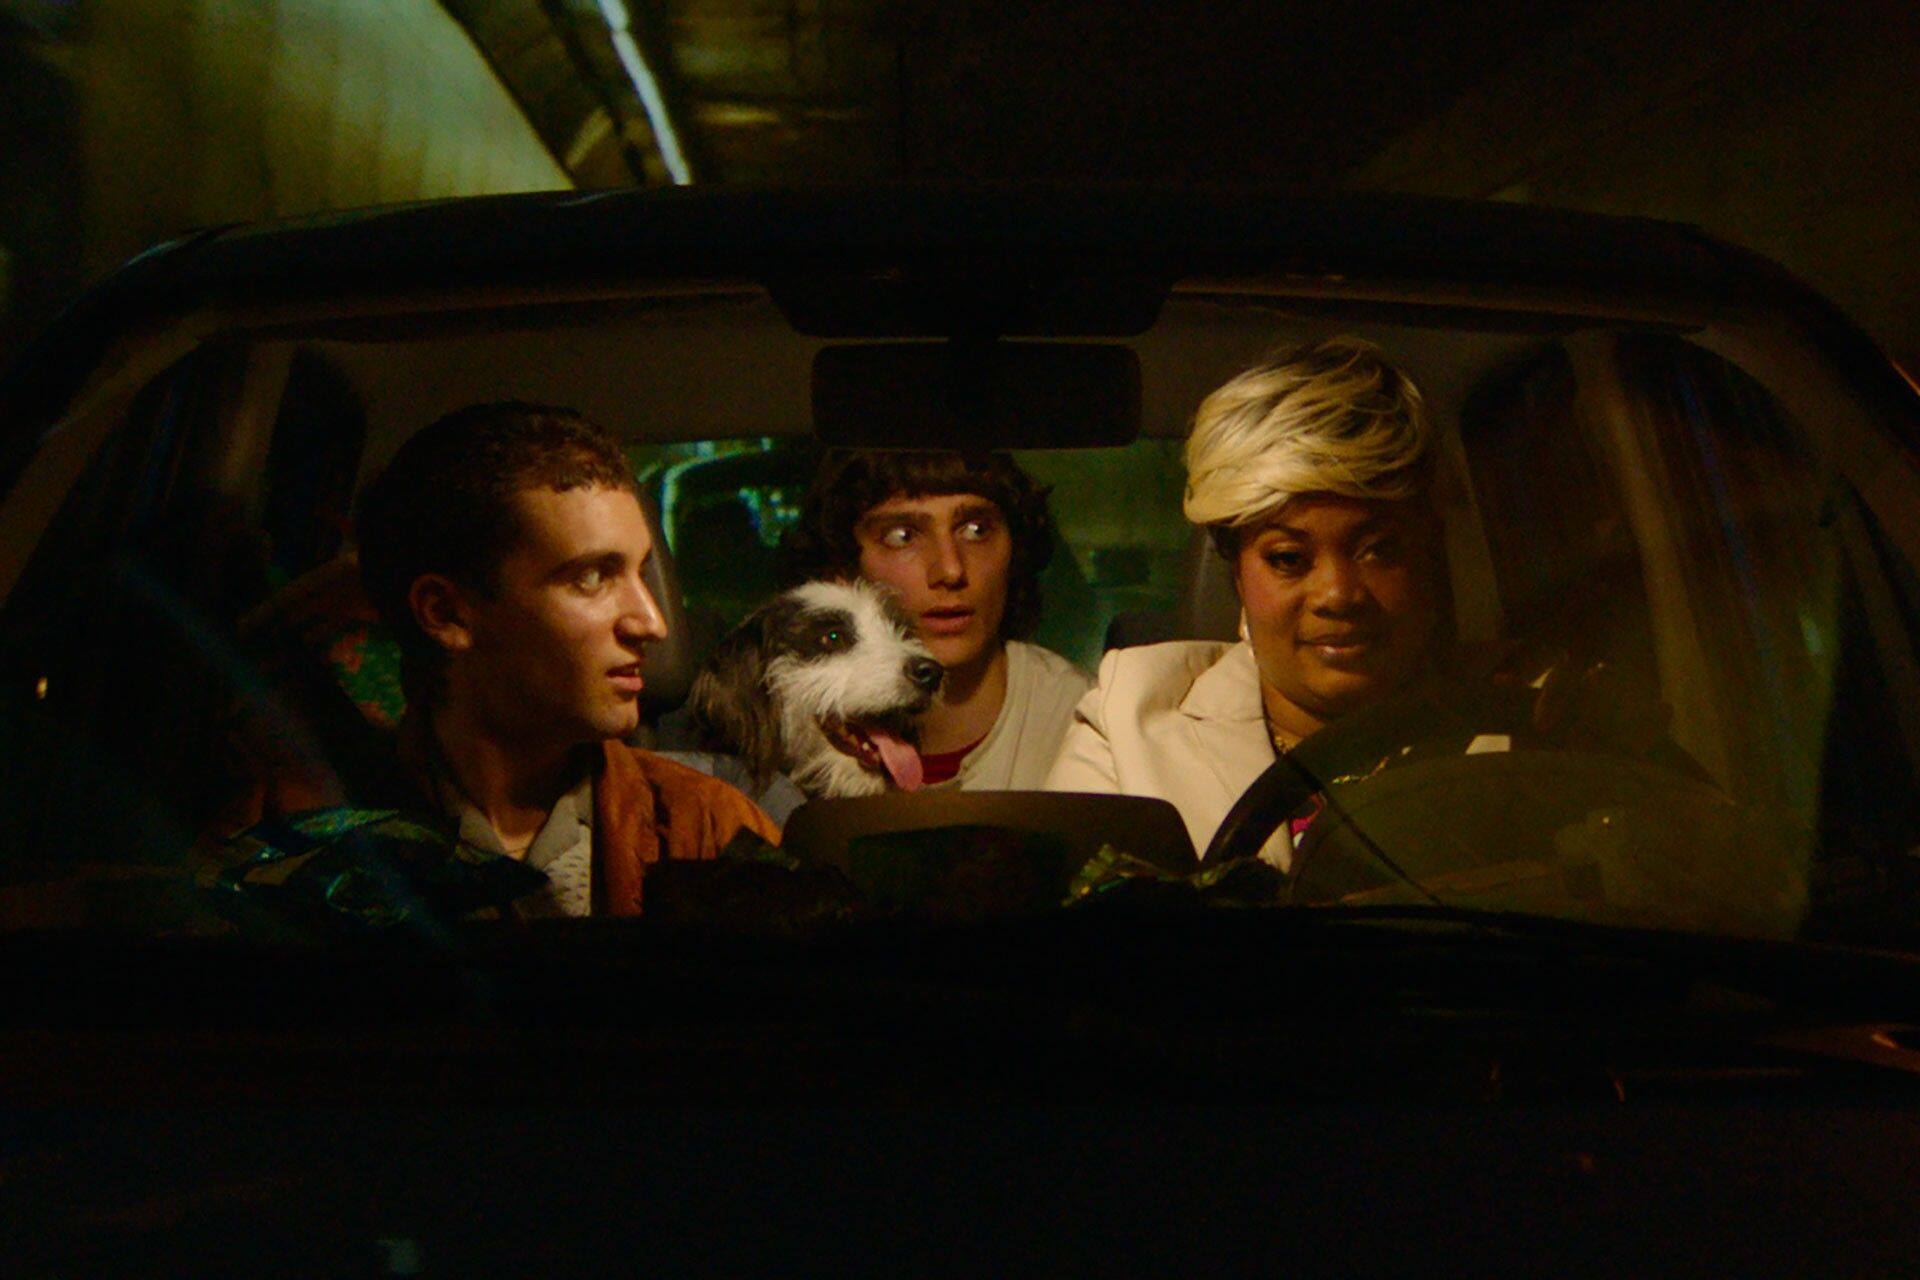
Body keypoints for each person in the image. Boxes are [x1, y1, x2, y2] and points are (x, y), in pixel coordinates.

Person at [217, 401, 778, 918]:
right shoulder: (296, 846)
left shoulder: (709, 830)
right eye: (591, 577)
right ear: (445, 613)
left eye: (640, 570)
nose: (652, 623)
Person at [1046, 338, 1450, 865]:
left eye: (1378, 549)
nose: (1338, 595)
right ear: (1235, 570)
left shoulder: (1518, 725)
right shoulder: (1131, 722)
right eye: (1288, 558)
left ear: (1428, 547)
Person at [782, 450, 1091, 790]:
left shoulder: (1086, 717)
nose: (951, 570)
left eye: (976, 530)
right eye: (902, 537)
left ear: (1014, 549)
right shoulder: (792, 732)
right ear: (840, 571)